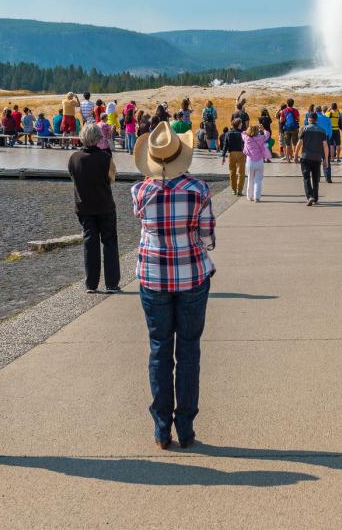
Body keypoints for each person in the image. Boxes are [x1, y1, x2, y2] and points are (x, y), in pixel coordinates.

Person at [130, 123, 214, 450]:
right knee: (189, 350)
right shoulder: (198, 190)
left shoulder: (139, 192)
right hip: (191, 274)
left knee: (159, 349)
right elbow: (207, 236)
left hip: (152, 276)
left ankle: (162, 428)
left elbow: (144, 221)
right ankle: (187, 428)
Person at [69, 123, 120, 294]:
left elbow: (73, 177)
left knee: (90, 244)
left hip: (84, 206)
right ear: (99, 138)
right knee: (110, 243)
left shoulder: (74, 158)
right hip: (105, 205)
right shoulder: (106, 158)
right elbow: (112, 179)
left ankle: (91, 284)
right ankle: (111, 283)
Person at [297, 112, 329, 206]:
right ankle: (315, 198)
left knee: (306, 177)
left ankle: (310, 196)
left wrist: (295, 155)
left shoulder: (304, 129)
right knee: (315, 179)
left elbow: (299, 143)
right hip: (317, 158)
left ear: (308, 119)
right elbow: (325, 145)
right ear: (316, 120)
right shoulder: (322, 130)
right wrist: (326, 159)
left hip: (305, 157)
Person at [243, 122, 270, 202]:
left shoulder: (246, 138)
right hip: (259, 161)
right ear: (258, 131)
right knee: (258, 180)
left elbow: (242, 133)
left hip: (250, 161)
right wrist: (263, 129)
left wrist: (248, 130)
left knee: (250, 179)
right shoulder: (261, 138)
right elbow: (267, 135)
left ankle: (249, 196)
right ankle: (257, 197)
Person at [221, 119, 247, 196]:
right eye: (241, 124)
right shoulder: (242, 133)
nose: (242, 125)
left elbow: (225, 145)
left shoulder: (228, 133)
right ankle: (239, 189)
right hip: (240, 153)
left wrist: (223, 156)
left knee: (232, 171)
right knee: (241, 172)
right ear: (238, 125)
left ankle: (233, 189)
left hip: (231, 153)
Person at [279, 99, 300, 163]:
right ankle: (295, 158)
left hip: (287, 129)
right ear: (293, 104)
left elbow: (281, 120)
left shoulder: (284, 111)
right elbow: (298, 119)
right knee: (295, 144)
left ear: (287, 104)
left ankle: (288, 159)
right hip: (294, 128)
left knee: (287, 144)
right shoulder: (295, 110)